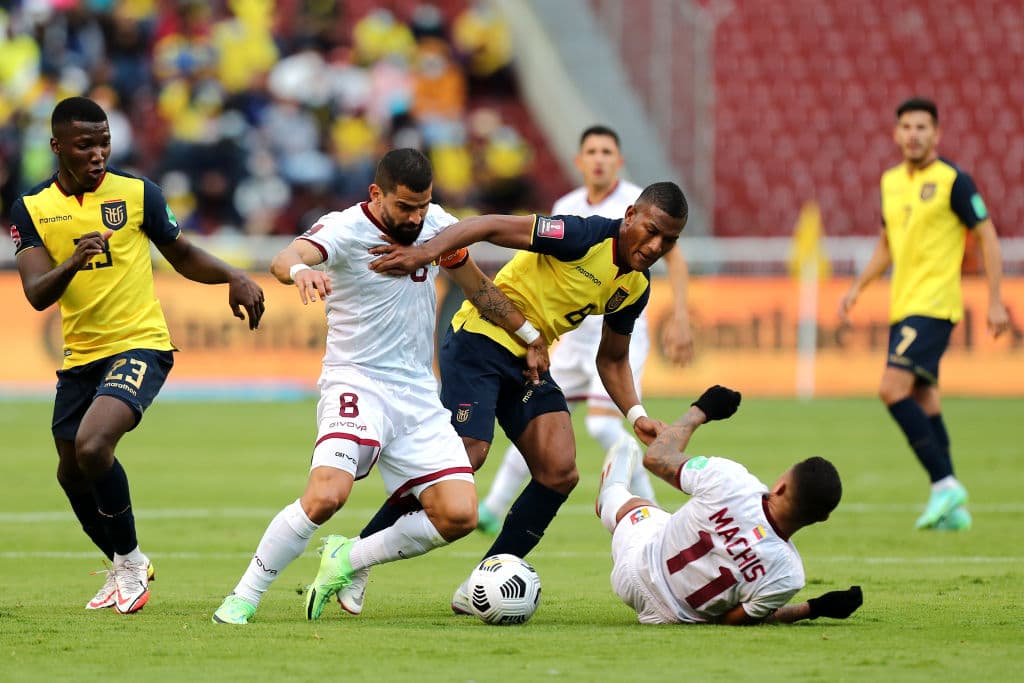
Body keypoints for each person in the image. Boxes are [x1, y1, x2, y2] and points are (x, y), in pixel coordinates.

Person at [211, 148, 547, 624]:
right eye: (405, 206)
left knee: (459, 515)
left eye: (423, 206)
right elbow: (287, 258)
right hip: (356, 382)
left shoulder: (437, 226)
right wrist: (303, 272)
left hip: (416, 394)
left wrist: (529, 335)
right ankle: (245, 595)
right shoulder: (345, 228)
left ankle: (350, 557)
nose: (415, 218)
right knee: (326, 496)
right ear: (376, 194)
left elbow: (478, 288)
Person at [356, 180, 688, 615]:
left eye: (669, 240)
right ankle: (356, 555)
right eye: (652, 230)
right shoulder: (580, 235)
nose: (657, 245)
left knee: (559, 471)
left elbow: (611, 358)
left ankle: (482, 582)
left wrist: (636, 413)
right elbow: (488, 225)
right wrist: (425, 252)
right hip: (480, 338)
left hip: (529, 361)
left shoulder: (636, 287)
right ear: (630, 216)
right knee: (468, 454)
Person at [10, 96, 265, 615]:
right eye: (85, 145)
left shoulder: (137, 193)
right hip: (81, 354)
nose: (98, 154)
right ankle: (125, 562)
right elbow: (36, 293)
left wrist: (233, 275)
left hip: (140, 342)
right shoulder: (31, 207)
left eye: (104, 143)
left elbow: (182, 254)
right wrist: (74, 261)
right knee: (70, 473)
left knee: (93, 445)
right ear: (58, 146)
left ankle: (128, 565)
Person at [476, 124, 695, 535]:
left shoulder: (642, 203)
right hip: (574, 337)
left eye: (606, 152)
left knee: (602, 424)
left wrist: (681, 317)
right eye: (591, 152)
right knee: (535, 421)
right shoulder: (568, 203)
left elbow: (674, 258)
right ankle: (491, 506)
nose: (599, 159)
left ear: (619, 161)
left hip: (618, 336)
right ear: (579, 161)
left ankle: (652, 512)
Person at [838, 97, 1010, 531]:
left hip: (935, 305)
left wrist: (995, 299)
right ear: (896, 134)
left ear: (937, 133)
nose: (913, 135)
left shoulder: (954, 181)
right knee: (925, 398)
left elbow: (987, 235)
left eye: (922, 127)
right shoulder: (891, 181)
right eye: (907, 127)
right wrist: (858, 287)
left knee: (891, 388)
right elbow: (886, 244)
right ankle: (952, 508)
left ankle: (944, 484)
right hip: (904, 305)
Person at [597, 384, 863, 625]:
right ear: (822, 518)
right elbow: (733, 619)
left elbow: (656, 458)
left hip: (636, 569)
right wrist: (813, 608)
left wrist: (702, 409)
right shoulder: (789, 575)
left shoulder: (731, 480)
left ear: (780, 486)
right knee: (664, 520)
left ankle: (612, 492)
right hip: (668, 618)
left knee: (639, 507)